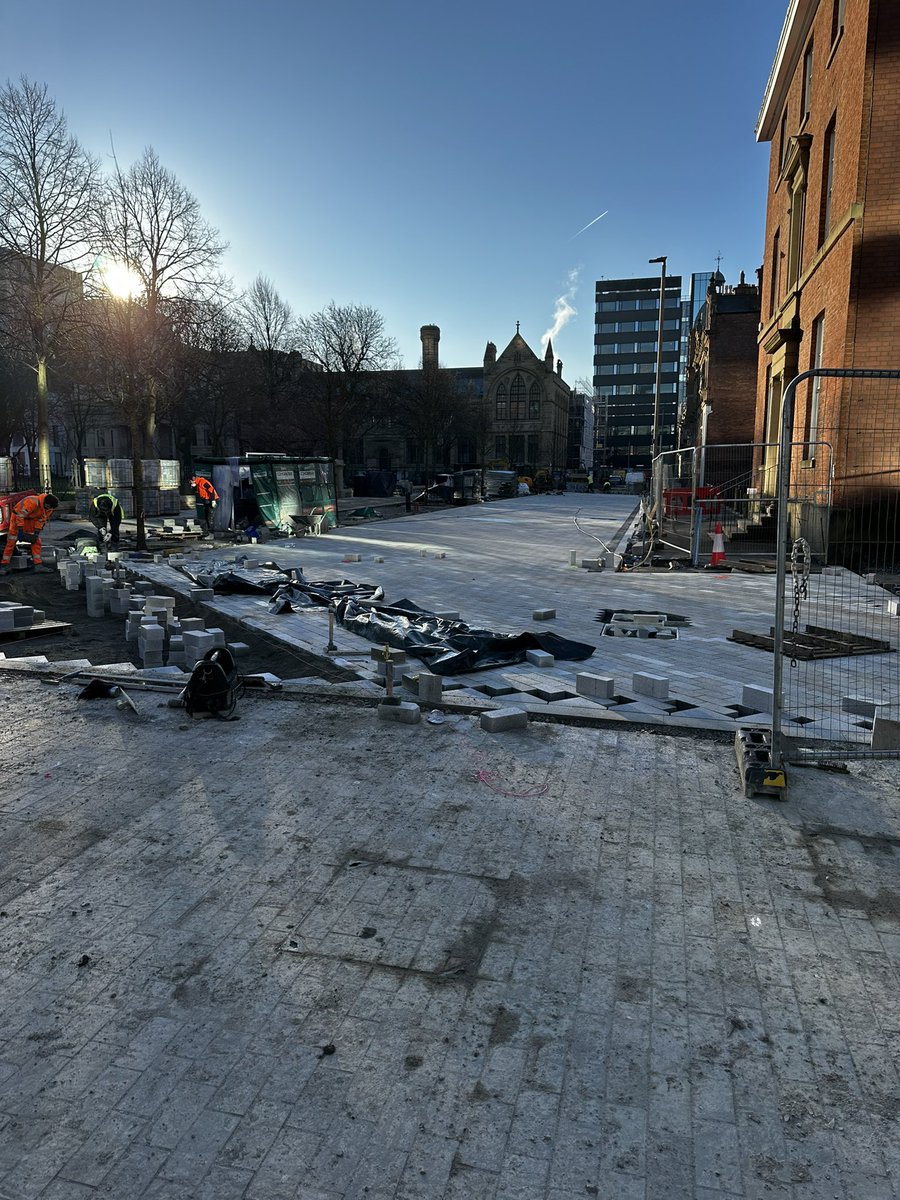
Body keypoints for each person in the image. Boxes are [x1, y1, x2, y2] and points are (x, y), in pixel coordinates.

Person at [1, 492, 59, 571]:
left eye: (50, 508)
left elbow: (41, 521)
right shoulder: (32, 502)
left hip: (31, 521)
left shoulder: (48, 509)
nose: (49, 509)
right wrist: (20, 530)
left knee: (36, 541)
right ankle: (4, 565)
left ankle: (38, 565)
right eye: (48, 507)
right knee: (11, 541)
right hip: (17, 519)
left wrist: (36, 532)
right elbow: (20, 516)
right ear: (46, 503)